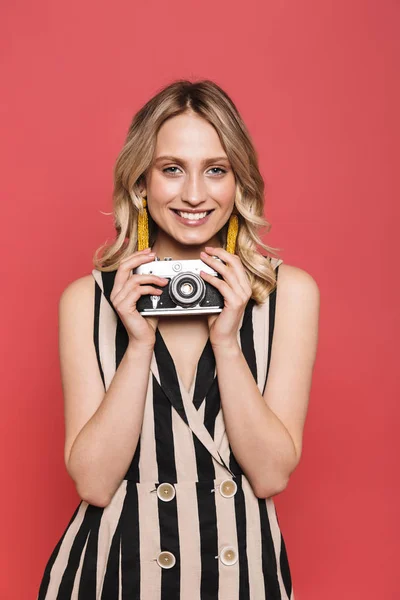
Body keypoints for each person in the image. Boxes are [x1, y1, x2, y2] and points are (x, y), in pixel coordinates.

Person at [37, 79, 320, 600]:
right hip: (116, 576)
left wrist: (228, 343)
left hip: (242, 578)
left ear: (239, 183)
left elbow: (271, 473)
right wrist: (138, 344)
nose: (194, 194)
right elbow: (94, 483)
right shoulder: (89, 300)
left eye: (216, 170)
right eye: (172, 170)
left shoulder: (287, 295)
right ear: (141, 184)